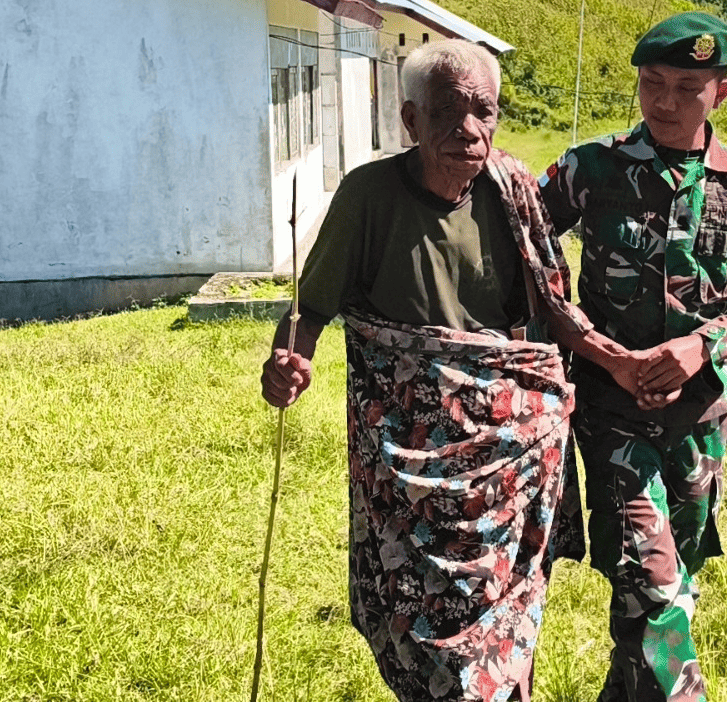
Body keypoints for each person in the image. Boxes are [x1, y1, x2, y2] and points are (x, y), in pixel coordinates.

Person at [261, 39, 640, 702]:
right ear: (410, 120)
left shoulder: (511, 189)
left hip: (507, 455)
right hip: (407, 465)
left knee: (507, 609)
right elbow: (310, 309)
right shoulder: (368, 196)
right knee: (420, 617)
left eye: (483, 111)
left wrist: (622, 364)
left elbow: (553, 308)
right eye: (447, 111)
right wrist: (287, 361)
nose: (468, 128)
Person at [538, 12, 727, 702]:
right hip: (612, 413)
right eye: (652, 82)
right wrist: (594, 344)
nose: (666, 102)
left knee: (669, 582)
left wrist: (699, 347)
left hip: (700, 420)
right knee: (654, 582)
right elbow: (521, 243)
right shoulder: (591, 167)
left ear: (721, 93)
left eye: (687, 87)